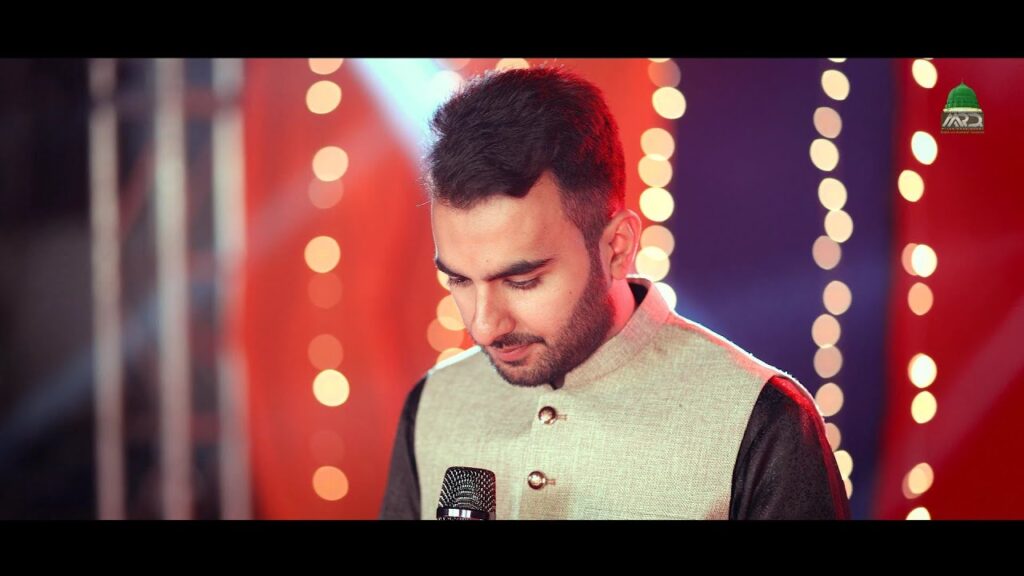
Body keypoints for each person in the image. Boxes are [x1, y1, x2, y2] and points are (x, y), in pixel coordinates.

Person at [380, 65, 850, 520]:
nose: (484, 327)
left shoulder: (761, 419)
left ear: (617, 248)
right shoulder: (434, 404)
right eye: (459, 280)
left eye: (522, 281)